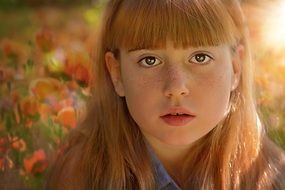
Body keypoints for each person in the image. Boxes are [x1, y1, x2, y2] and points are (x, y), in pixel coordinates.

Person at [46, 0, 285, 189]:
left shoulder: (271, 177)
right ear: (116, 73)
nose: (175, 86)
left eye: (200, 57)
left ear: (236, 68)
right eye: (149, 60)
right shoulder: (80, 177)